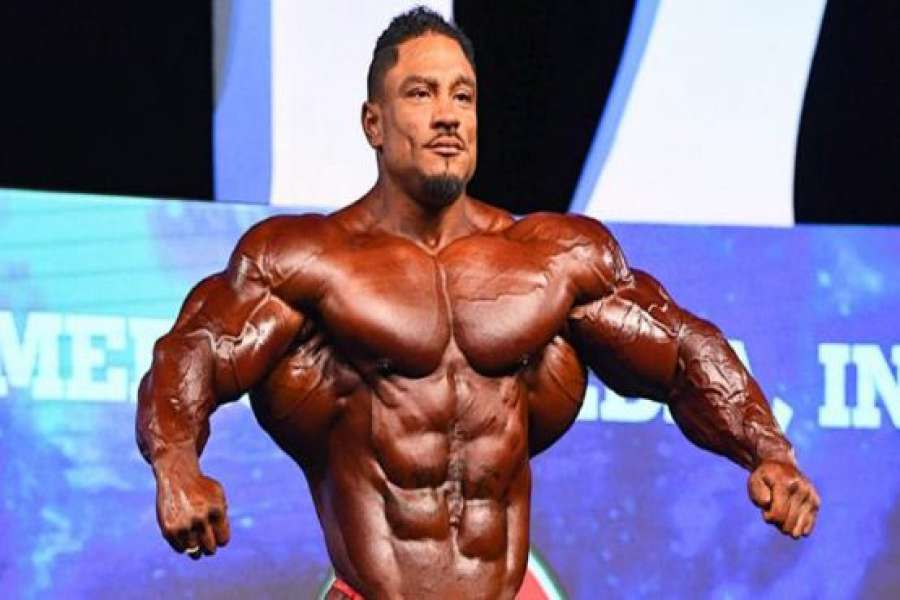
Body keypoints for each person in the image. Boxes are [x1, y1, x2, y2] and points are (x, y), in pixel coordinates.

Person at [136, 8, 819, 599]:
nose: (447, 115)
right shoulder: (309, 261)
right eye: (421, 93)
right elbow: (197, 350)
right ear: (374, 123)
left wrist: (769, 451)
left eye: (462, 96)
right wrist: (177, 465)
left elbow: (681, 350)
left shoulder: (553, 261)